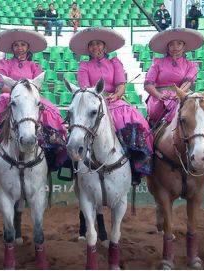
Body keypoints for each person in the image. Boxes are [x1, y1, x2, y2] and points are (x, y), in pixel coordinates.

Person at [70, 27, 155, 241]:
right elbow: (83, 89)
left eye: (99, 44)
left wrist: (113, 96)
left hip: (113, 103)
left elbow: (121, 86)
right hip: (91, 102)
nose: (96, 48)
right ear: (88, 49)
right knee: (76, 132)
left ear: (105, 47)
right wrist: (97, 98)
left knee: (136, 126)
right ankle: (74, 169)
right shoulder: (84, 66)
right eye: (92, 45)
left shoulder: (115, 63)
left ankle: (134, 167)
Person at [145, 28, 204, 171]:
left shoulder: (191, 65)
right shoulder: (157, 62)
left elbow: (187, 83)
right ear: (167, 47)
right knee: (154, 118)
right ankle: (149, 152)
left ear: (184, 46)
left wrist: (178, 95)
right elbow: (148, 84)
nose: (175, 47)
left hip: (183, 94)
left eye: (179, 44)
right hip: (159, 97)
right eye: (172, 44)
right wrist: (159, 96)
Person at [0, 29, 68, 172]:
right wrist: (18, 92)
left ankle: (49, 135)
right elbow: (2, 86)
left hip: (30, 97)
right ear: (12, 48)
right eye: (16, 45)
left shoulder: (34, 66)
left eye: (23, 45)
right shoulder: (4, 63)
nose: (20, 48)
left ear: (28, 47)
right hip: (10, 96)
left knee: (49, 108)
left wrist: (26, 95)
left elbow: (37, 87)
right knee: (4, 98)